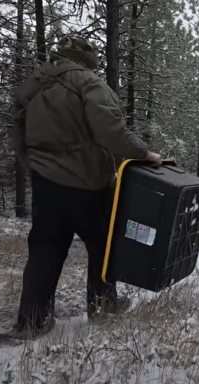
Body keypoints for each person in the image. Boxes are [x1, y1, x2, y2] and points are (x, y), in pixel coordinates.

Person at [11, 35, 162, 338]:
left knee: (44, 250)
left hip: (45, 181)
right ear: (89, 59)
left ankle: (32, 320)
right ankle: (104, 307)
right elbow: (110, 130)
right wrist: (144, 153)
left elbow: (17, 126)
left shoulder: (34, 84)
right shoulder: (88, 82)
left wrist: (32, 162)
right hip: (86, 183)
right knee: (104, 246)